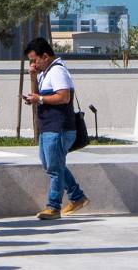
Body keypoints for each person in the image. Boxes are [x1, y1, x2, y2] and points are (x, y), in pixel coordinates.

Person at [22, 38, 88, 219]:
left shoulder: (58, 71)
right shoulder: (46, 72)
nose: (33, 64)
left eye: (34, 60)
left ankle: (53, 207)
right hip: (48, 127)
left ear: (45, 56)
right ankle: (77, 197)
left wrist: (40, 99)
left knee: (54, 168)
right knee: (52, 165)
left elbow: (64, 97)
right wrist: (33, 79)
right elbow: (38, 95)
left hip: (59, 128)